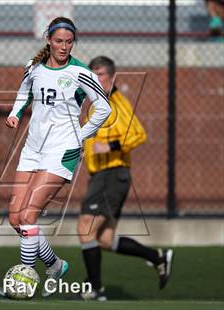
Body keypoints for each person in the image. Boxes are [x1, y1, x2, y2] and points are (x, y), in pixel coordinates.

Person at [0, 17, 111, 298]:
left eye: (69, 42)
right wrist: (14, 114)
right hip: (33, 148)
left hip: (62, 150)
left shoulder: (81, 72)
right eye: (58, 41)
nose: (63, 46)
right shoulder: (33, 66)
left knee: (28, 215)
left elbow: (104, 108)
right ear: (48, 40)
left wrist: (80, 135)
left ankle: (24, 280)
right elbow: (24, 93)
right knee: (15, 219)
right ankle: (55, 264)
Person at [77, 56, 174, 301]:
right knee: (106, 239)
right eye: (92, 75)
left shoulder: (116, 103)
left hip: (112, 173)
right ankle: (157, 258)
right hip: (101, 175)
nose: (95, 80)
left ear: (112, 77)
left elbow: (138, 134)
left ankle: (95, 289)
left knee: (85, 228)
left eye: (100, 75)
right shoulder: (97, 103)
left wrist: (109, 146)